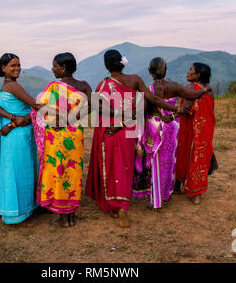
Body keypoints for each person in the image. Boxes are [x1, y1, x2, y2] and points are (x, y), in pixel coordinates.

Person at [85, 50, 210, 228]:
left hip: (108, 128)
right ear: (123, 63)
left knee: (111, 167)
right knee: (125, 167)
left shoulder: (102, 84)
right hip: (128, 128)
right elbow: (153, 99)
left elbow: (97, 107)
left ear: (106, 66)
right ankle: (123, 207)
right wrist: (175, 109)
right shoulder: (135, 79)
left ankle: (113, 206)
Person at [132, 57, 208, 210]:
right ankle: (165, 194)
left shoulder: (149, 89)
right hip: (172, 127)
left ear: (149, 71)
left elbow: (142, 111)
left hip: (155, 128)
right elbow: (192, 96)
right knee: (168, 162)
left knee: (155, 164)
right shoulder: (175, 86)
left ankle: (156, 200)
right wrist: (205, 89)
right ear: (165, 70)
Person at [31, 52, 92, 228]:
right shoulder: (84, 85)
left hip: (57, 135)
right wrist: (71, 119)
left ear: (63, 68)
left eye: (55, 66)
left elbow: (39, 108)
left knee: (58, 172)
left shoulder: (52, 87)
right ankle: (71, 215)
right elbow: (92, 106)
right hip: (75, 134)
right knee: (73, 173)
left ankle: (62, 216)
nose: (52, 69)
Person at [0, 53, 44, 224]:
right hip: (18, 137)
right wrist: (61, 107)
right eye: (13, 65)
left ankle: (17, 208)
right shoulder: (13, 87)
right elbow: (35, 106)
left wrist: (13, 122)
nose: (18, 68)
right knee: (21, 171)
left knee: (14, 171)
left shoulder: (5, 87)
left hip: (12, 134)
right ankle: (20, 210)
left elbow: (22, 113)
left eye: (19, 65)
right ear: (3, 68)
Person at [175, 62, 216, 205]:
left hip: (191, 128)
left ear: (197, 75)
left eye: (190, 70)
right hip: (206, 129)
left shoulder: (192, 88)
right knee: (200, 156)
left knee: (184, 152)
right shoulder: (209, 90)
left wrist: (169, 111)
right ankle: (196, 192)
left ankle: (179, 185)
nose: (187, 72)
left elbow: (185, 108)